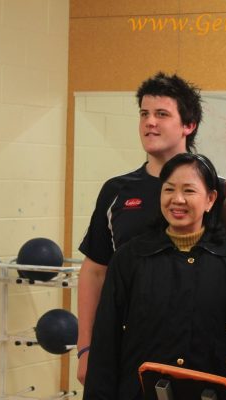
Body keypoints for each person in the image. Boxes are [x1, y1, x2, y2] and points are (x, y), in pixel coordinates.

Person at [83, 153, 226, 400]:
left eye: (189, 191)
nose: (177, 199)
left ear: (210, 199)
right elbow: (105, 342)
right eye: (169, 189)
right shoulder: (130, 258)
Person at [76, 72, 203, 384]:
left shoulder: (214, 192)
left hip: (195, 349)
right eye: (144, 114)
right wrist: (85, 349)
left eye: (162, 114)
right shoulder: (116, 191)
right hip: (127, 345)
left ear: (188, 125)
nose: (150, 123)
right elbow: (94, 271)